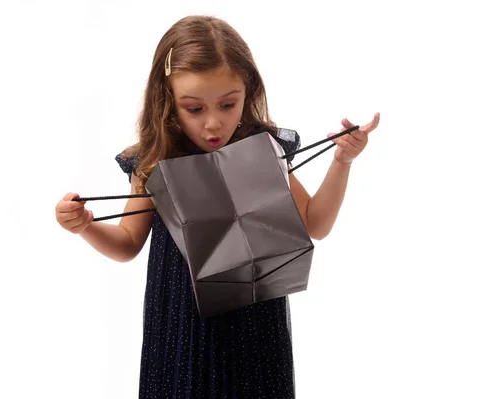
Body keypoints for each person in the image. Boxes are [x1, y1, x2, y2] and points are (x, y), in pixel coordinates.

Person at [55, 15, 380, 399]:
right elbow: (127, 243)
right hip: (179, 325)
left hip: (253, 321)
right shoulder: (156, 160)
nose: (214, 124)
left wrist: (342, 162)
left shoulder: (262, 149)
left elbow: (315, 224)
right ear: (168, 100)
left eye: (228, 104)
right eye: (194, 109)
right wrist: (86, 226)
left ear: (249, 89)